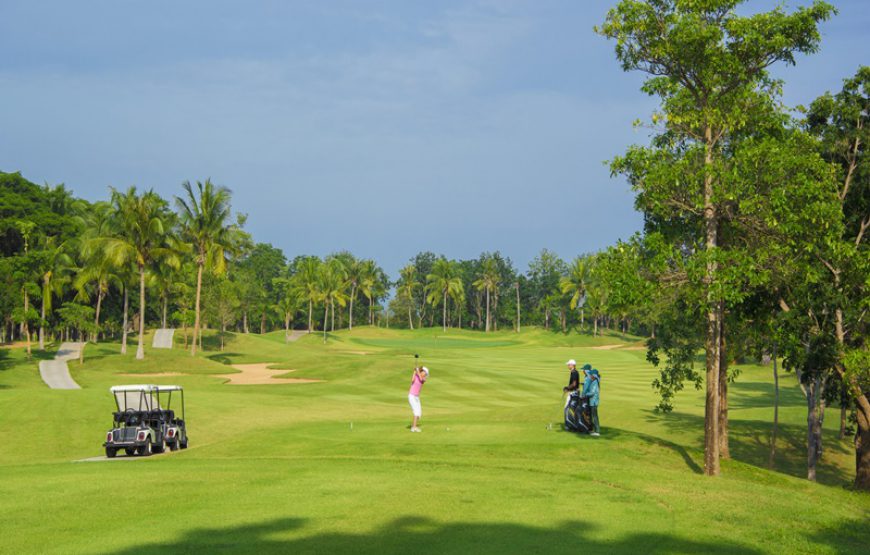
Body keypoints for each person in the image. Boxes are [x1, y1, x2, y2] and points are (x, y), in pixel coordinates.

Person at [408, 365, 428, 432]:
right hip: (412, 396)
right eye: (425, 373)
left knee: (419, 413)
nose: (425, 375)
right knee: (416, 412)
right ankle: (414, 428)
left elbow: (421, 379)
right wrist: (414, 371)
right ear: (422, 371)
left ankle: (414, 425)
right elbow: (412, 380)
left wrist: (417, 371)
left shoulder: (423, 379)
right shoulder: (417, 375)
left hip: (416, 397)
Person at [582, 366, 601, 436]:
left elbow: (592, 393)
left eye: (591, 375)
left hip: (594, 402)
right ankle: (593, 430)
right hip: (592, 402)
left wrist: (585, 394)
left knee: (595, 416)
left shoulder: (595, 382)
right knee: (593, 416)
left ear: (594, 376)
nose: (590, 376)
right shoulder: (594, 381)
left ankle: (597, 431)